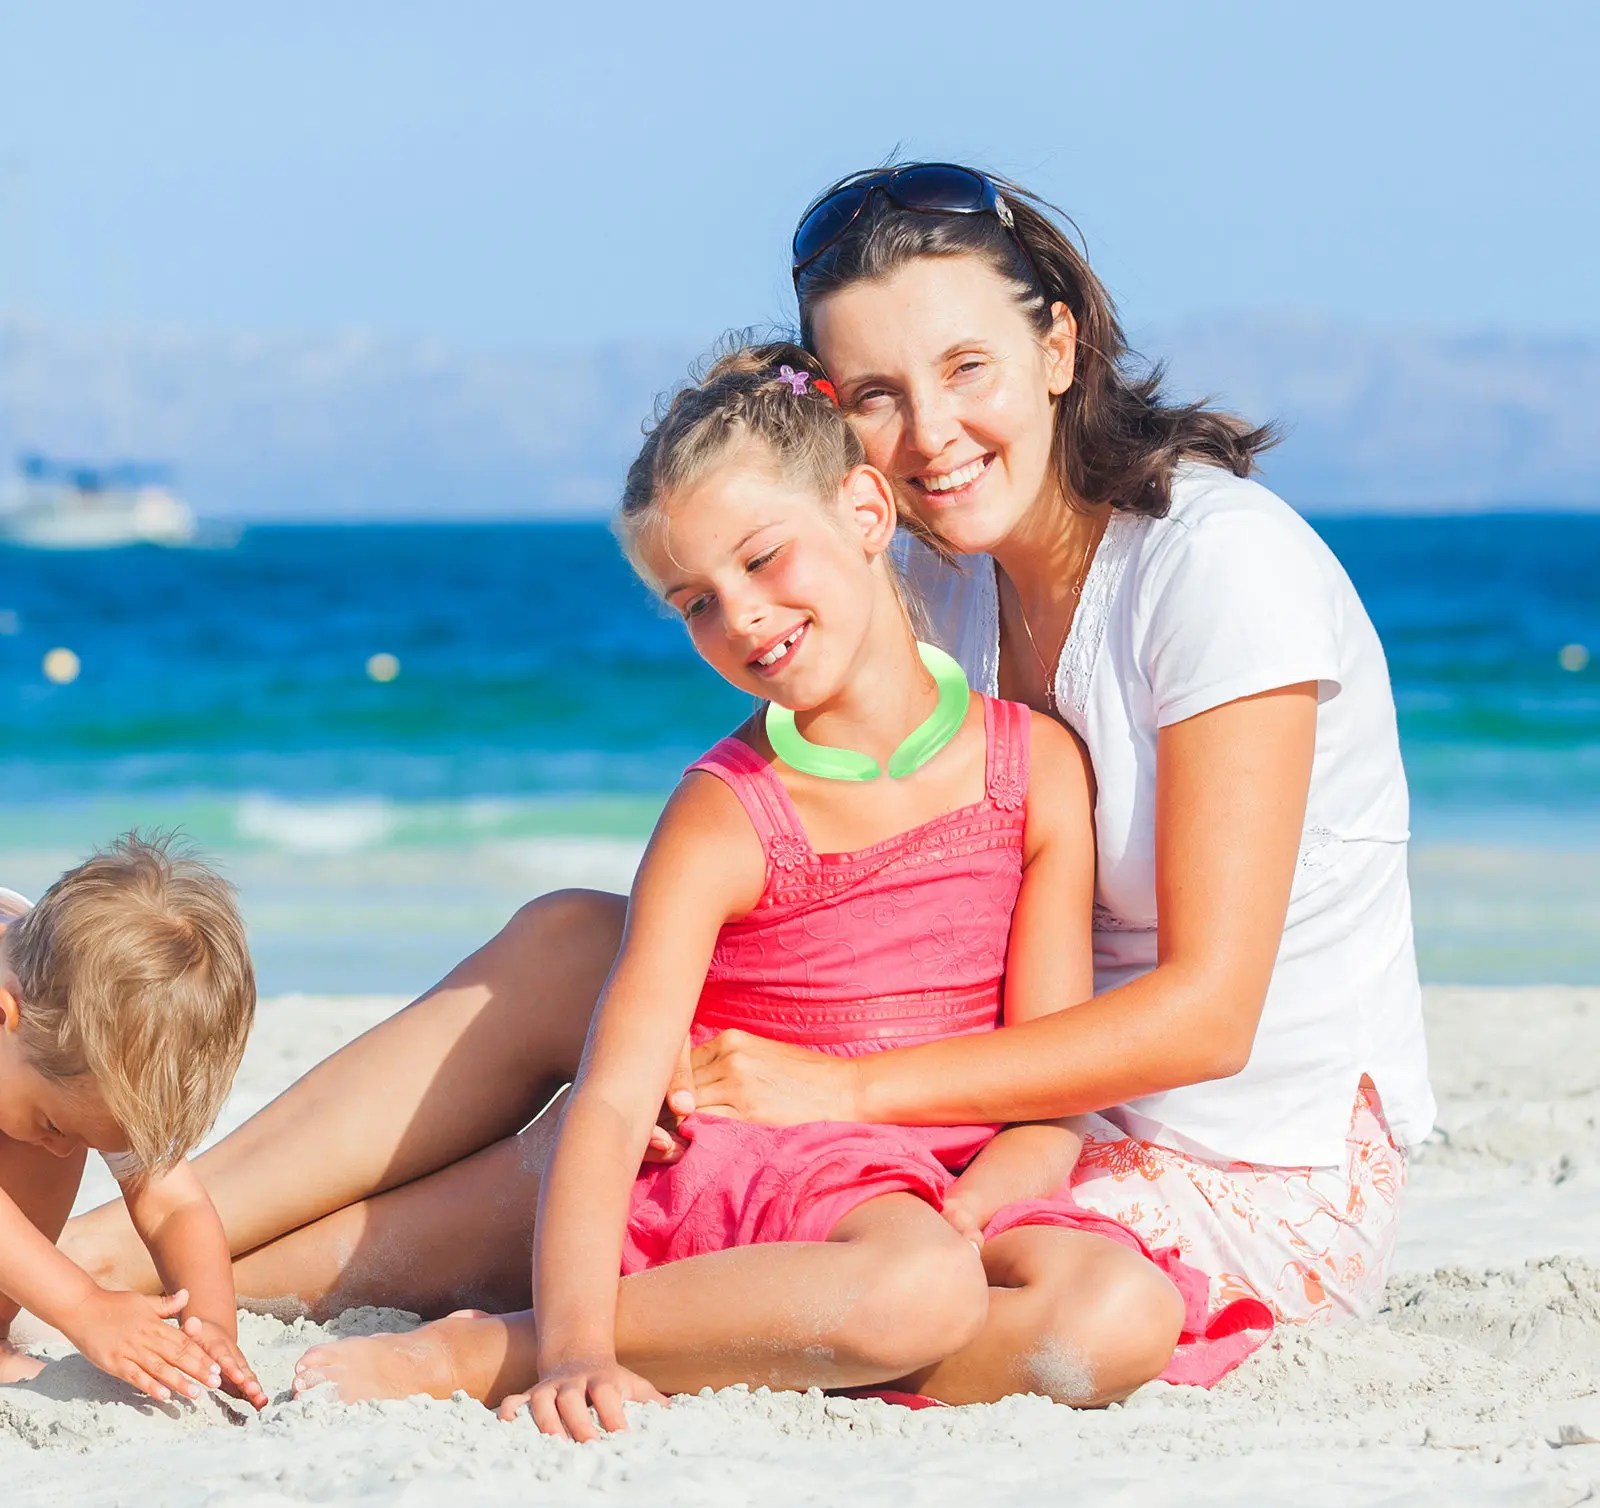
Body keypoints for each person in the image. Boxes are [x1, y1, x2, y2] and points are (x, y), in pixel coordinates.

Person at [64, 158, 1426, 1377]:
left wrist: (833, 1091)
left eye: (968, 367)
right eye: (878, 394)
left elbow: (1206, 1021)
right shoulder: (949, 575)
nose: (932, 433)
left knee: (1067, 1317)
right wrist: (712, 1068)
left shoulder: (1218, 568)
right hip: (945, 1080)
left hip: (1198, 1148)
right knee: (582, 960)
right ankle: (137, 1250)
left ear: (1058, 344)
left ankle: (523, 1337)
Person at [291, 342, 1248, 1435]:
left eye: (761, 559)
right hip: (773, 1170)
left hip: (946, 1178)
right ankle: (496, 1347)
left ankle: (795, 1327)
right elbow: (611, 1103)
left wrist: (974, 1207)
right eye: (695, 601)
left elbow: (1049, 1090)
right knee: (918, 1291)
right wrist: (574, 1352)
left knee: (1119, 1314)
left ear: (866, 511)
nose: (740, 615)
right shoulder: (725, 812)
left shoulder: (1035, 768)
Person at [0, 838, 265, 1409]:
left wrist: (211, 1326)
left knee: (37, 1133)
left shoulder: (66, 1009)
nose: (63, 1150)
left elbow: (174, 1205)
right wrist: (82, 1306)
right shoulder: (46, 1013)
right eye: (56, 1123)